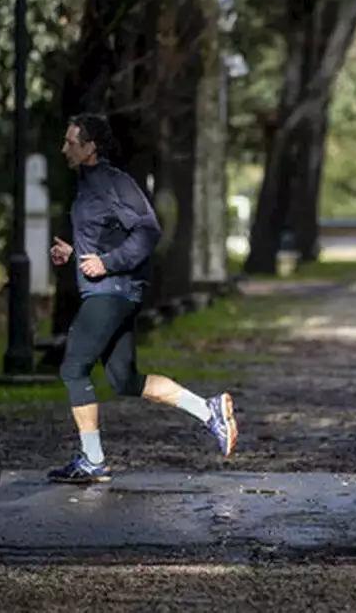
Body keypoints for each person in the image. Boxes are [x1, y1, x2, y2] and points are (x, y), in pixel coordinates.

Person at [47, 112, 238, 484]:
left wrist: (107, 263)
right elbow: (107, 234)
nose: (64, 148)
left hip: (112, 292)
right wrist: (74, 251)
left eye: (71, 142)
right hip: (110, 290)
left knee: (73, 368)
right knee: (124, 379)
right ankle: (209, 410)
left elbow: (148, 231)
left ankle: (93, 459)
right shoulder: (88, 184)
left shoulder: (113, 182)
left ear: (91, 147)